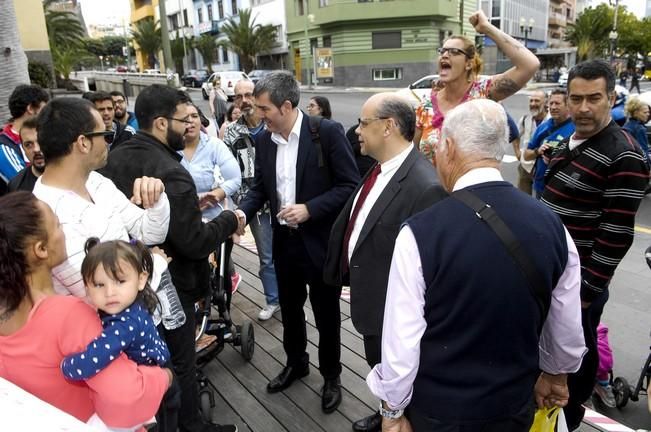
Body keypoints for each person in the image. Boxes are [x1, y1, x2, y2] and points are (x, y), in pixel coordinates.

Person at [367, 99, 586, 432]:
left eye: (438, 146)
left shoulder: (420, 232)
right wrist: (555, 374)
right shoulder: (553, 225)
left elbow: (401, 341)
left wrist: (393, 410)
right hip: (513, 406)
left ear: (450, 148)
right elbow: (566, 325)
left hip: (440, 411)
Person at [101, 84, 240, 432]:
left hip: (124, 288)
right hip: (170, 289)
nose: (190, 127)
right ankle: (190, 425)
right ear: (162, 123)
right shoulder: (172, 173)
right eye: (183, 119)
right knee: (180, 361)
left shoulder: (114, 158)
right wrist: (228, 220)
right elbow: (193, 243)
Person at [235, 71, 360, 413]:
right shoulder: (263, 140)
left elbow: (350, 187)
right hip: (284, 244)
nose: (258, 115)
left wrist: (310, 209)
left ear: (286, 106)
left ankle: (332, 376)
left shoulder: (328, 133)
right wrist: (242, 214)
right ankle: (296, 362)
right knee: (290, 311)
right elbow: (260, 187)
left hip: (320, 244)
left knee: (327, 314)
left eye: (264, 109)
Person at [324, 93, 446, 432]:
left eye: (364, 123)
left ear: (389, 126)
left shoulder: (424, 186)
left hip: (394, 316)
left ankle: (401, 418)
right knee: (382, 371)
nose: (357, 130)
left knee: (399, 377)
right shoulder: (381, 169)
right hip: (373, 305)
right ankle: (387, 412)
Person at [0, 192, 171, 429]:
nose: (63, 232)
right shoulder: (66, 315)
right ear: (41, 249)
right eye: (58, 224)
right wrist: (163, 377)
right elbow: (126, 399)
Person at [540, 59, 649, 430]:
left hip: (578, 287)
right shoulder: (571, 138)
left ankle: (568, 423)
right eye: (576, 98)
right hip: (549, 277)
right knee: (545, 365)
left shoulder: (625, 155)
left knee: (571, 373)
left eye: (594, 98)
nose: (584, 108)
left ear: (612, 98)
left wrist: (584, 295)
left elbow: (616, 236)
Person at [32, 97, 170, 299]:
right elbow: (101, 295)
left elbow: (149, 232)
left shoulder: (96, 182)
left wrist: (156, 197)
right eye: (106, 135)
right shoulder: (47, 213)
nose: (108, 143)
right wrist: (156, 263)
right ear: (83, 143)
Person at [413, 10, 539, 165]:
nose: (445, 55)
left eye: (454, 52)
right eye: (443, 51)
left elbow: (530, 65)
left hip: (472, 187)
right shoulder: (426, 105)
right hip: (433, 188)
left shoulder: (483, 91)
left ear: (469, 63)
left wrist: (487, 28)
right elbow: (413, 155)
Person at [61, 238, 170, 381]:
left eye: (120, 281)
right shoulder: (130, 301)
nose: (109, 292)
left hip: (153, 382)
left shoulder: (125, 325)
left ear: (141, 280)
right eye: (99, 285)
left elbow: (93, 359)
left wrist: (65, 366)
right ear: (87, 288)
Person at [223, 80, 280, 320]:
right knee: (266, 256)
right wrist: (239, 201)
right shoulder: (232, 131)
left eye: (248, 95)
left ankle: (292, 300)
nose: (244, 100)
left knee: (290, 254)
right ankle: (273, 300)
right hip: (255, 205)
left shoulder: (273, 126)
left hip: (282, 201)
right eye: (239, 96)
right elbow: (227, 170)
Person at [179, 103, 242, 297]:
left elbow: (234, 178)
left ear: (201, 119)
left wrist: (218, 194)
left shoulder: (214, 146)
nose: (190, 122)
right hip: (182, 219)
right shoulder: (168, 150)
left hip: (214, 218)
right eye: (184, 118)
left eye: (194, 116)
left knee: (220, 270)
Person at [523, 89, 574, 199]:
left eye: (557, 103)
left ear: (568, 106)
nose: (553, 107)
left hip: (562, 189)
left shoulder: (576, 128)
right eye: (551, 103)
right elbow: (526, 155)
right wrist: (538, 151)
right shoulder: (543, 127)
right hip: (540, 186)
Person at [0, 84, 49, 194]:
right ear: (30, 108)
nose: (47, 115)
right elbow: (25, 186)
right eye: (44, 110)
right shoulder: (3, 147)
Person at [513, 90, 547, 195]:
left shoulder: (551, 120)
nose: (533, 104)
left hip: (543, 167)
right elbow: (515, 135)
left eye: (537, 101)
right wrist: (517, 152)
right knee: (522, 199)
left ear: (545, 103)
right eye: (531, 101)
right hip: (526, 166)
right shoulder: (525, 119)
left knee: (541, 199)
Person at [7, 118, 44, 193]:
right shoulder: (17, 186)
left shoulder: (71, 175)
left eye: (41, 141)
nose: (36, 149)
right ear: (23, 148)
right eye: (28, 145)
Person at [623, 97, 650, 166]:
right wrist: (649, 167)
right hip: (639, 165)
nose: (648, 114)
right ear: (636, 113)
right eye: (645, 112)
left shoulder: (627, 124)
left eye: (648, 112)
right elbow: (643, 151)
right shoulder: (640, 129)